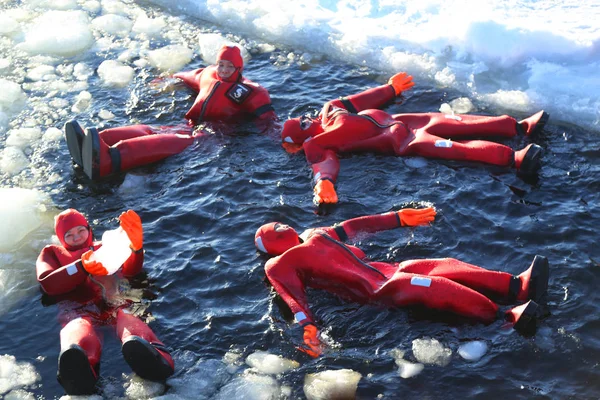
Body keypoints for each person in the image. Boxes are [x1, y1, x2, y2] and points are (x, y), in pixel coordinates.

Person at [254, 207, 550, 357]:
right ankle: (504, 318)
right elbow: (292, 295)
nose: (280, 226)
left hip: (388, 268)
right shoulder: (279, 264)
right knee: (430, 286)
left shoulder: (314, 233)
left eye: (278, 224)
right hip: (379, 289)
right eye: (272, 230)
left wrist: (398, 217)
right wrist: (307, 325)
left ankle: (515, 286)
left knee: (444, 265)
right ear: (270, 247)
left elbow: (355, 226)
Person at [280, 72, 550, 205]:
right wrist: (324, 182)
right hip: (402, 141)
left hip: (408, 121)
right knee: (454, 147)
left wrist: (390, 88)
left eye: (305, 117)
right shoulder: (317, 142)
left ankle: (518, 127)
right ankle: (515, 159)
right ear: (299, 138)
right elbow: (322, 163)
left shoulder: (331, 109)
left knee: (460, 121)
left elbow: (360, 100)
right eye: (303, 124)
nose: (308, 119)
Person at [64, 45, 276, 180]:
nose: (223, 70)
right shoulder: (209, 75)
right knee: (148, 130)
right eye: (221, 64)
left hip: (213, 137)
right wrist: (170, 79)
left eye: (229, 67)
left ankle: (108, 161)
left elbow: (268, 120)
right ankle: (99, 141)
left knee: (169, 142)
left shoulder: (251, 92)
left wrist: (282, 139)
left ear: (239, 69)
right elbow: (190, 76)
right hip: (191, 125)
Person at [36, 209, 174, 395]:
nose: (76, 237)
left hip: (118, 304)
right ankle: (78, 368)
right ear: (61, 239)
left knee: (129, 323)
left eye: (80, 231)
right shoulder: (51, 254)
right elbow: (48, 284)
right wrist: (81, 266)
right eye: (69, 235)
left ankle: (155, 357)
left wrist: (136, 249)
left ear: (89, 229)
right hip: (80, 310)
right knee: (76, 328)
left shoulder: (106, 247)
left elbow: (131, 271)